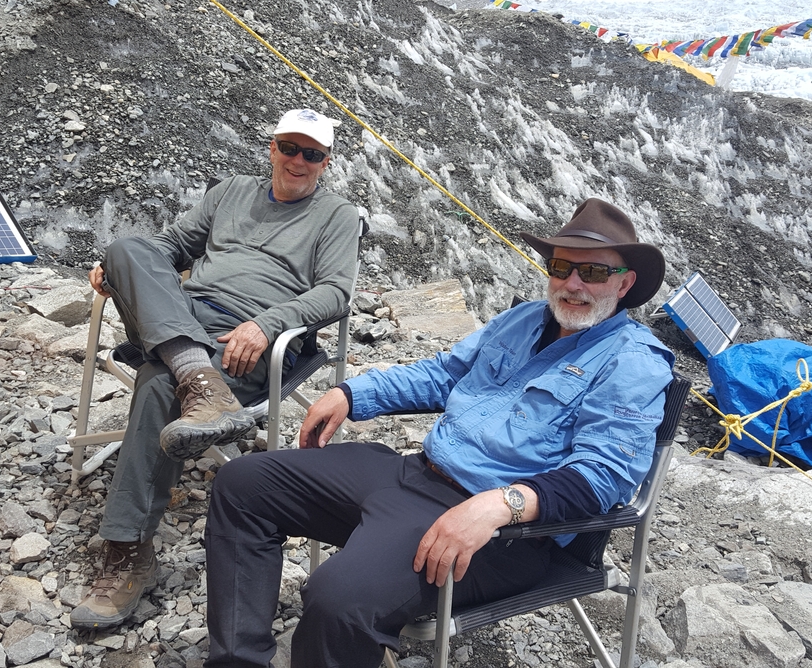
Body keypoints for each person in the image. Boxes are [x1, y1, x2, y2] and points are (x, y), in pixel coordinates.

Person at [203, 198, 675, 667]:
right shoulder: (525, 319)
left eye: (592, 272)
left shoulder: (632, 360)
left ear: (626, 282)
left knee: (338, 599)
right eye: (562, 266)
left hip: (500, 533)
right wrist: (352, 393)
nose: (573, 284)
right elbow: (444, 374)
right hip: (415, 474)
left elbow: (605, 475)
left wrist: (500, 505)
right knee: (243, 485)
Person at [69, 108, 361, 630]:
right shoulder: (230, 191)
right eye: (290, 148)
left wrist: (269, 323)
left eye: (312, 154)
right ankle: (199, 379)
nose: (298, 160)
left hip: (247, 337)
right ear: (271, 147)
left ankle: (128, 550)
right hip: (184, 313)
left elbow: (336, 292)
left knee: (159, 384)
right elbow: (172, 246)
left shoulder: (336, 216)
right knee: (125, 247)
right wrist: (122, 268)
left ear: (326, 162)